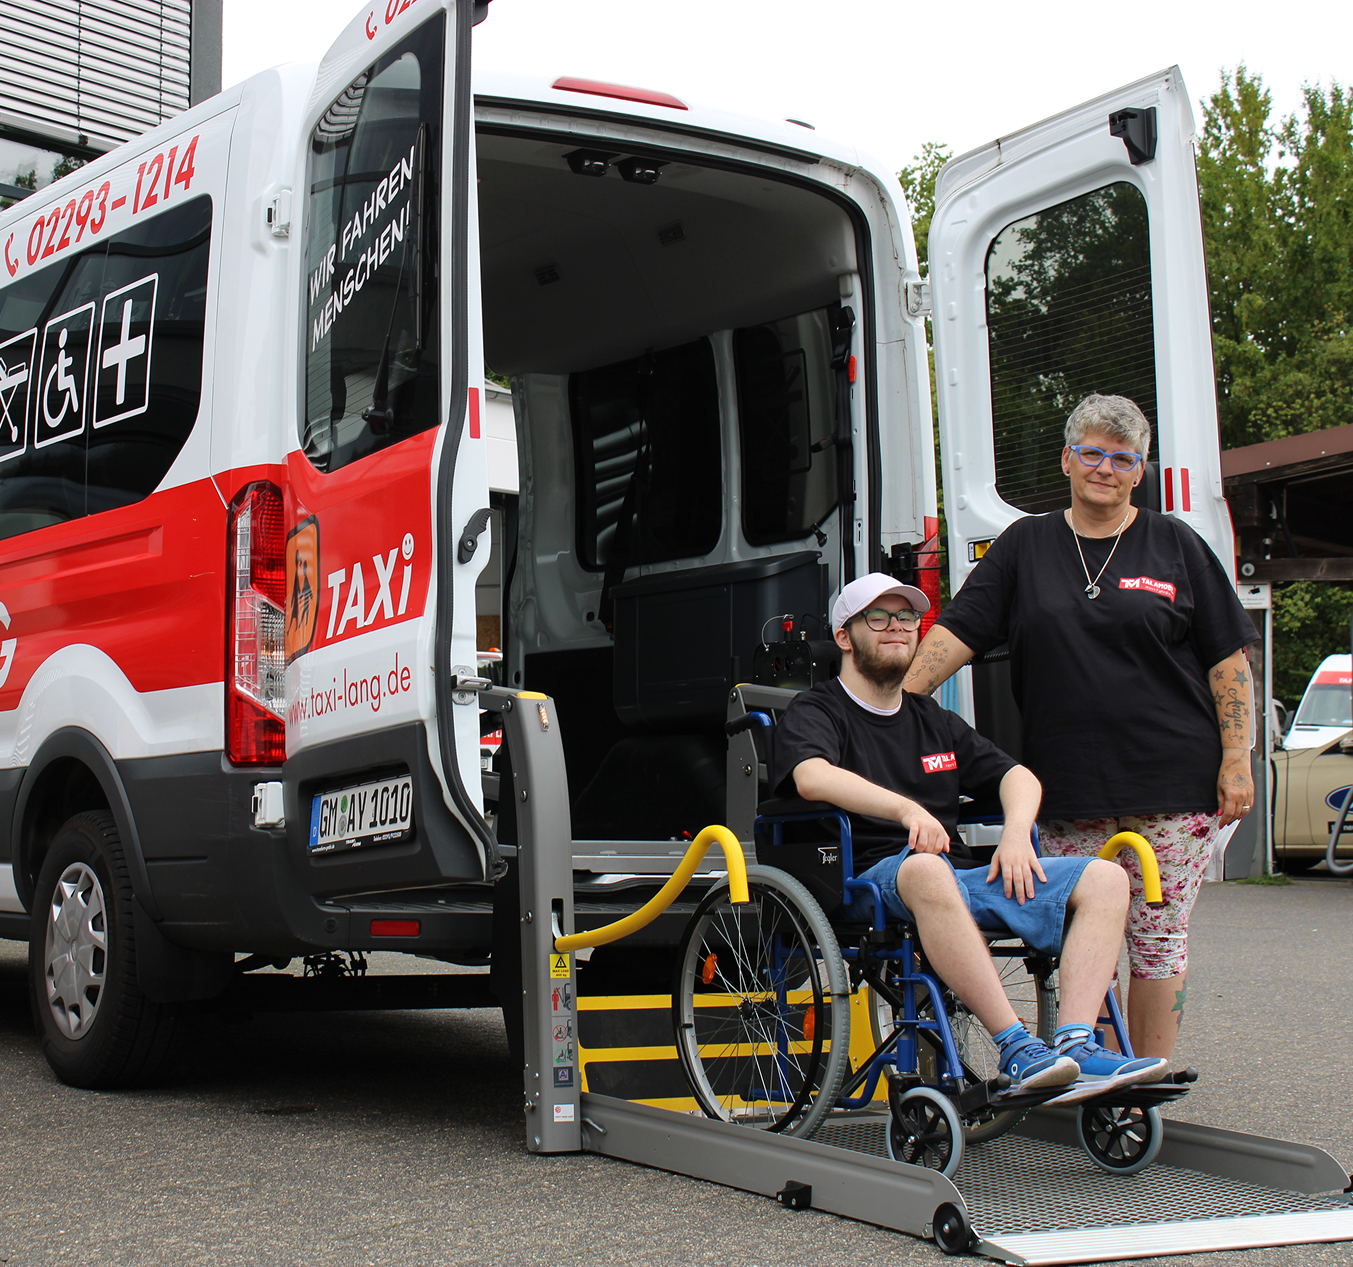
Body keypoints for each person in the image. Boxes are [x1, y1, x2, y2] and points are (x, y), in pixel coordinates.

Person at [904, 394, 1258, 1061]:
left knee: (1156, 937)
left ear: (1138, 472)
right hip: (1065, 788)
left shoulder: (1174, 544)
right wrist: (887, 703)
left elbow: (1226, 659)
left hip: (1173, 786)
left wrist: (1235, 755)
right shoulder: (1023, 547)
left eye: (1121, 458)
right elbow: (957, 632)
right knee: (1079, 933)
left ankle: (1142, 1082)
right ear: (1067, 459)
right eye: (1091, 452)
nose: (1105, 467)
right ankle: (1094, 1076)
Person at [774, 572, 1168, 1101]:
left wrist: (1017, 835)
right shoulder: (817, 709)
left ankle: (1077, 1043)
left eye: (907, 617)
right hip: (868, 878)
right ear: (845, 636)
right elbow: (811, 775)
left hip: (953, 876)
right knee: (926, 867)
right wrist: (904, 808)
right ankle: (1017, 1047)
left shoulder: (933, 719)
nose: (897, 628)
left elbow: (1018, 776)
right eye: (878, 617)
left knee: (1104, 879)